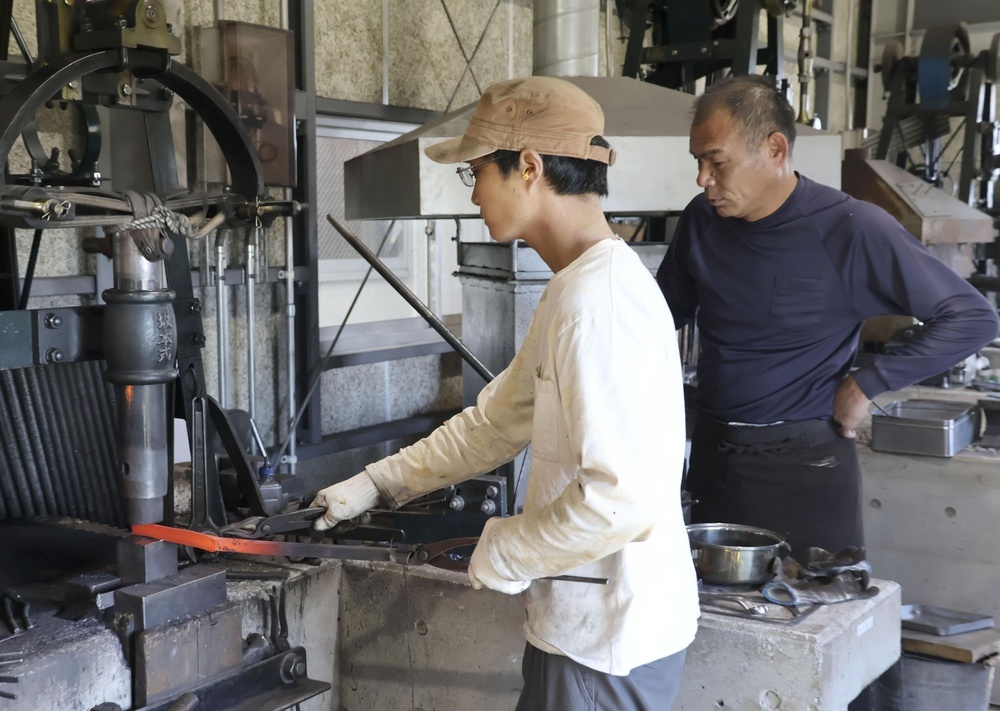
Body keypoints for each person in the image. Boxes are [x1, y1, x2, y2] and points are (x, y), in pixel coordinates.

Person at [311, 76, 699, 711]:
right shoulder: (574, 288)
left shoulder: (595, 303)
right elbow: (494, 423)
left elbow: (620, 501)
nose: (473, 196)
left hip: (606, 645)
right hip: (584, 630)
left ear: (528, 167)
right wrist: (377, 483)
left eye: (475, 175)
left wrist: (505, 547)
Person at [656, 73, 1000, 563]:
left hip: (805, 468)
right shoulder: (700, 221)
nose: (702, 178)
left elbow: (972, 317)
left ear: (775, 149)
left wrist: (868, 383)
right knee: (714, 623)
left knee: (811, 620)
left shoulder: (851, 229)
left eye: (717, 161)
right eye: (698, 161)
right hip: (713, 460)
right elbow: (656, 317)